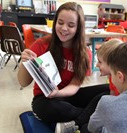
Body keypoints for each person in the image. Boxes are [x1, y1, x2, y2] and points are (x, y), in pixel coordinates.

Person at [17, 2, 109, 133]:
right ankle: (89, 119)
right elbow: (23, 82)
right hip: (45, 99)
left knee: (108, 90)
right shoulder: (42, 45)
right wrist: (24, 64)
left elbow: (75, 85)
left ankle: (77, 122)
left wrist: (58, 93)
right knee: (49, 108)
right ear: (55, 23)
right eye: (60, 23)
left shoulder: (84, 53)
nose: (64, 28)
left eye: (71, 25)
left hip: (68, 95)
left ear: (78, 28)